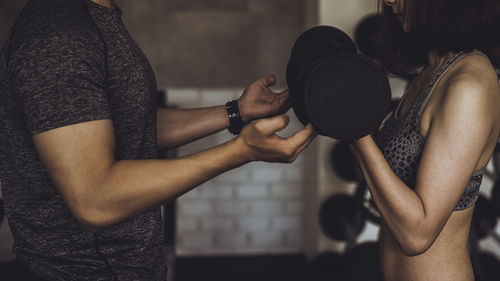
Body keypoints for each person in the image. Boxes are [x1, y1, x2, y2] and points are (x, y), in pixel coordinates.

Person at [0, 0, 316, 280]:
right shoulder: (58, 35)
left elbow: (127, 125)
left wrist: (236, 113)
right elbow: (94, 200)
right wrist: (242, 151)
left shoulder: (96, 16)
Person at [350, 0, 500, 280]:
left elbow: (417, 234)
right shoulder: (431, 73)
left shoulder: (469, 86)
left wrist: (355, 130)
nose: (389, 1)